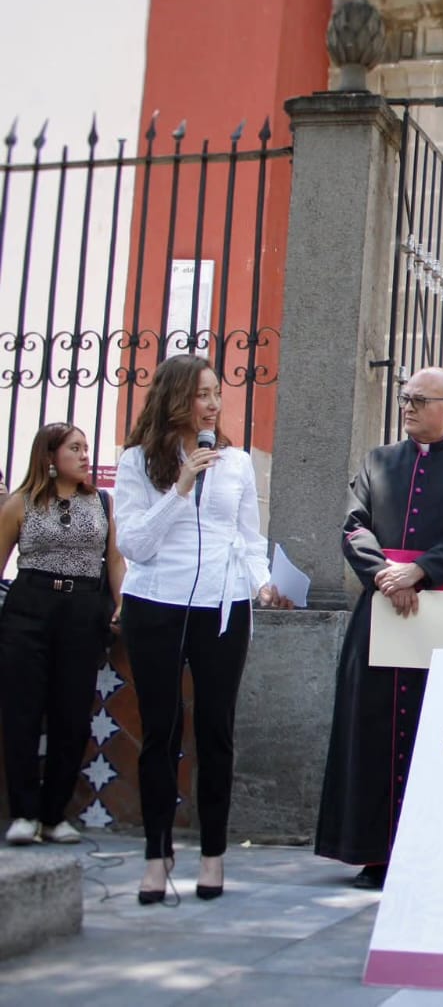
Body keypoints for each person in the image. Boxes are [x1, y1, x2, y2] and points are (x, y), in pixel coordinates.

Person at [315, 368, 443, 890]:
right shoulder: (378, 462)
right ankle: (373, 850)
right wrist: (384, 574)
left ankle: (432, 850)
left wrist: (419, 572)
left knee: (432, 727)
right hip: (382, 610)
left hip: (438, 612)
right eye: (406, 398)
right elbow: (354, 527)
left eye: (422, 400)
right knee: (371, 728)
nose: (410, 406)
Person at [114, 355, 288, 904]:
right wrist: (181, 486)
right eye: (202, 394)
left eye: (217, 393)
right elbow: (134, 546)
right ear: (175, 399)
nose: (214, 403)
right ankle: (155, 854)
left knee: (216, 731)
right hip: (154, 603)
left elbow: (248, 538)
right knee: (160, 732)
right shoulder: (136, 463)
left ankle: (213, 854)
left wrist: (263, 584)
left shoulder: (236, 464)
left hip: (223, 604)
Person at [0, 423, 125, 847]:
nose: (85, 455)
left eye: (87, 447)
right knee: (22, 712)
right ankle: (23, 813)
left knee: (72, 713)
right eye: (75, 448)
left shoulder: (103, 503)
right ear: (50, 457)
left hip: (82, 610)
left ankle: (54, 815)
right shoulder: (20, 503)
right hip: (29, 607)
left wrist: (120, 602)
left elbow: (115, 561)